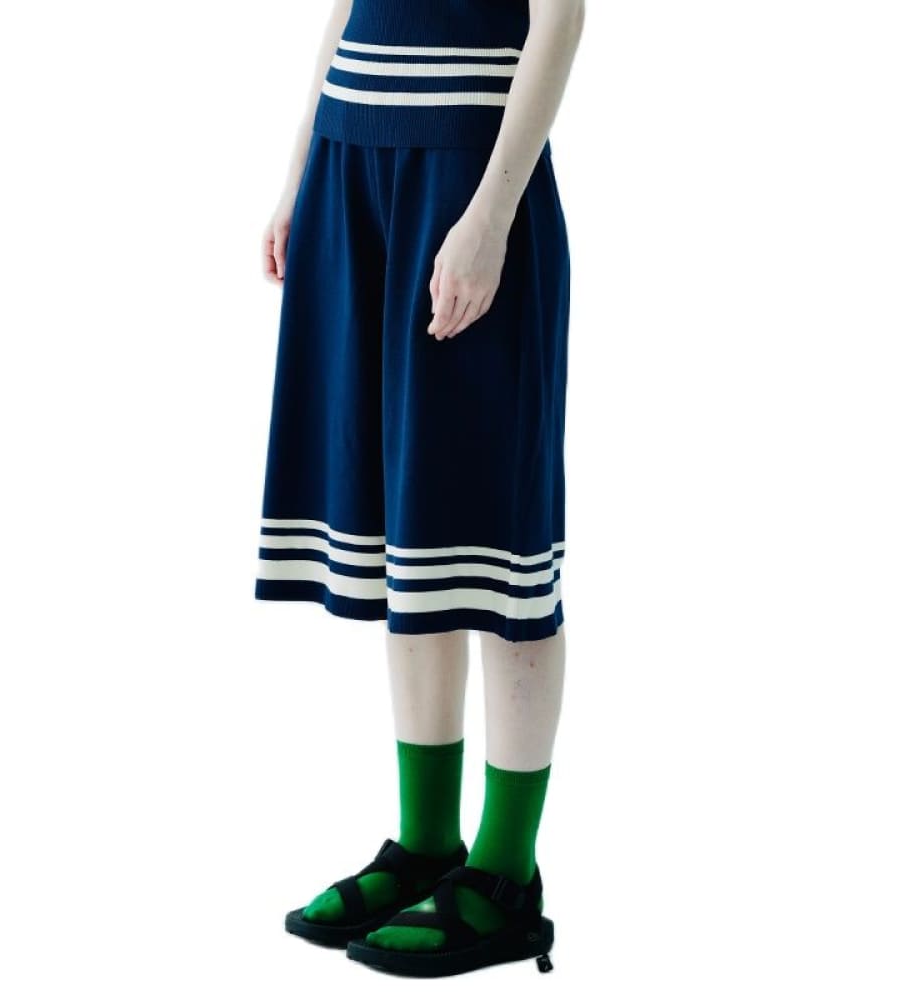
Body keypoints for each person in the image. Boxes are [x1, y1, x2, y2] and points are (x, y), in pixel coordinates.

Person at [256, 0, 584, 978]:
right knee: (411, 539)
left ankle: (505, 872)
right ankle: (428, 844)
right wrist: (300, 175)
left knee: (499, 547)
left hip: (467, 176)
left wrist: (490, 217)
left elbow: (560, 16)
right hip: (354, 168)